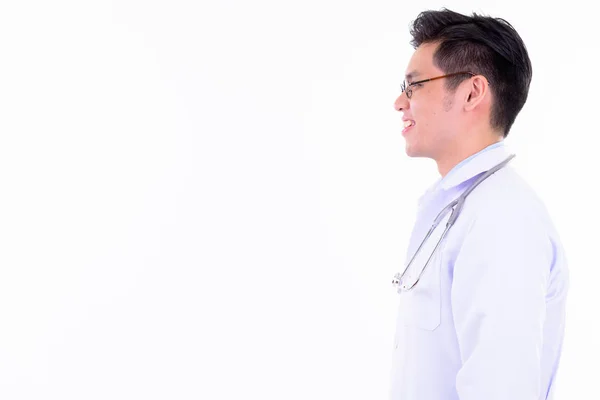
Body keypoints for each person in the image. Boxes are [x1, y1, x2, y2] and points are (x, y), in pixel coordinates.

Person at [390, 8, 569, 400]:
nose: (398, 103)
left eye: (413, 85)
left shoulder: (503, 218)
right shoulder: (464, 207)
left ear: (472, 92)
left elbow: (501, 388)